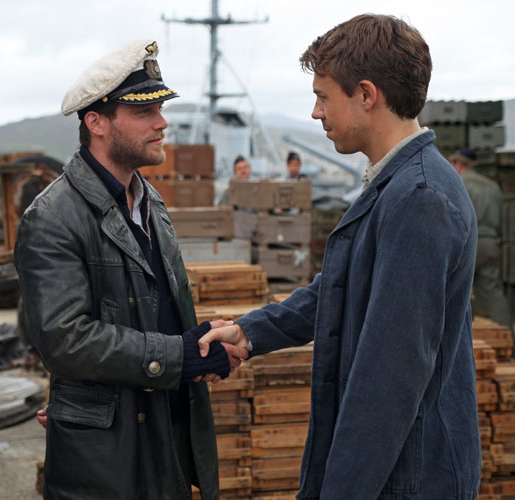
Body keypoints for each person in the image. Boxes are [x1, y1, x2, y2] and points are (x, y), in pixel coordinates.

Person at [200, 14, 480, 499]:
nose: (315, 113)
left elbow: (389, 379)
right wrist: (250, 331)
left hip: (409, 477)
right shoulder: (396, 184)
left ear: (366, 95)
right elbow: (339, 287)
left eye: (323, 96)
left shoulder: (419, 199)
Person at [14, 39, 247, 500]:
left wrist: (203, 345)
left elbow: (151, 312)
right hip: (107, 460)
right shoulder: (52, 217)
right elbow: (65, 340)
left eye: (160, 109)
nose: (162, 122)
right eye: (143, 112)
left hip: (165, 436)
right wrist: (183, 355)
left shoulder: (149, 201)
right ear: (96, 123)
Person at [449, 147, 512, 328]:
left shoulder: (458, 182)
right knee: (493, 293)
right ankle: (508, 335)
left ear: (458, 164)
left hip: (468, 242)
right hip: (491, 244)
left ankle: (462, 338)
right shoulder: (493, 186)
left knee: (459, 291)